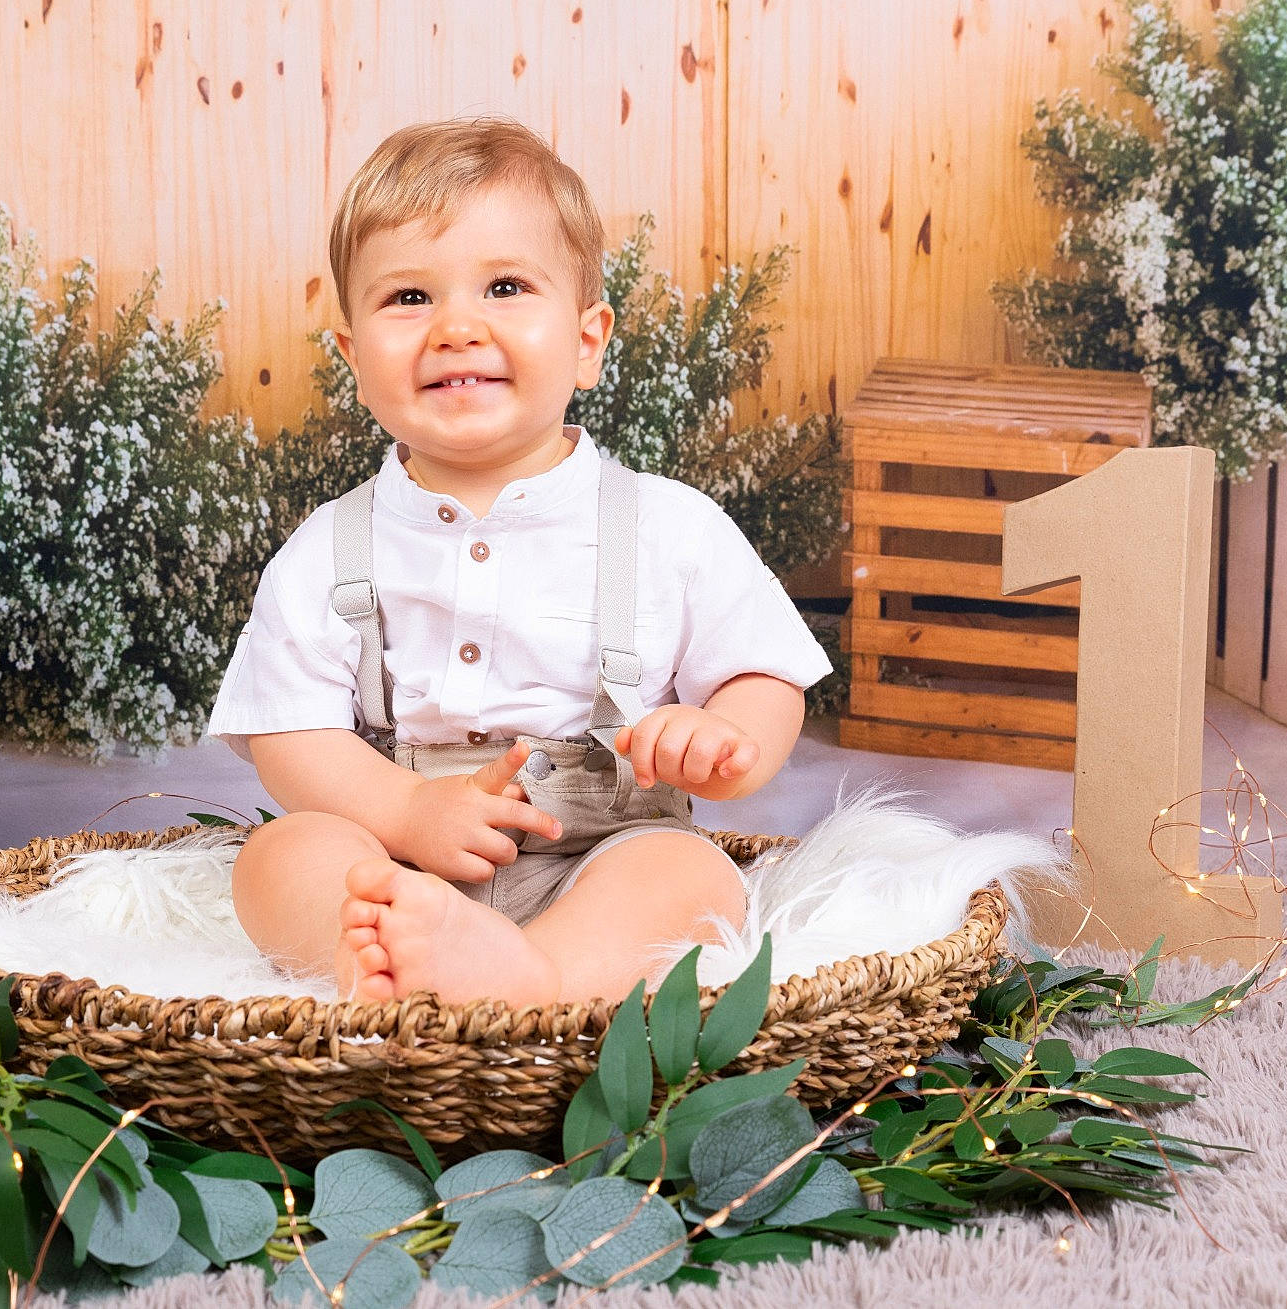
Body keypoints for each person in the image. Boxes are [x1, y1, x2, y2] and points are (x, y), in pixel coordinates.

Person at [205, 115, 831, 1007]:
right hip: (401, 861)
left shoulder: (668, 526)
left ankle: (535, 976)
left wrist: (725, 737)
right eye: (409, 297)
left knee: (690, 877)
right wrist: (404, 813)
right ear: (353, 357)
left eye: (504, 286)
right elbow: (287, 732)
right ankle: (376, 961)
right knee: (278, 855)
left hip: (601, 854)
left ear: (587, 342)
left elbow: (765, 673)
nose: (456, 326)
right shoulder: (330, 548)